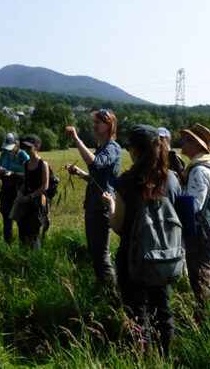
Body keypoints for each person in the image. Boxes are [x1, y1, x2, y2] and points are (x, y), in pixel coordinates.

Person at [102, 125, 180, 356]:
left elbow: (118, 227)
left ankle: (143, 360)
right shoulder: (171, 179)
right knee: (163, 312)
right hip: (166, 256)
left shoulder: (126, 182)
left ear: (135, 151)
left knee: (138, 314)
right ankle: (166, 358)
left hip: (134, 258)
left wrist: (111, 206)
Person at [64, 109, 121, 287]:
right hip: (92, 206)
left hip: (103, 208)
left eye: (99, 122)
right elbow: (96, 176)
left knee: (102, 256)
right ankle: (103, 291)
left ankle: (112, 296)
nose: (94, 125)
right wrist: (81, 173)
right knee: (94, 253)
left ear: (109, 125)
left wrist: (76, 139)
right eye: (94, 122)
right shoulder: (101, 148)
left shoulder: (112, 147)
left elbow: (96, 163)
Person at [178, 123, 210, 318]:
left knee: (200, 279)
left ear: (197, 145)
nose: (183, 143)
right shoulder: (208, 167)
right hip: (209, 232)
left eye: (188, 140)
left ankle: (205, 320)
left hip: (201, 234)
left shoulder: (199, 171)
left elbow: (195, 206)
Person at [0, 132, 28, 244]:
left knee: (20, 219)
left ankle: (23, 244)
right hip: (5, 189)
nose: (8, 149)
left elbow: (28, 173)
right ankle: (7, 243)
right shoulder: (3, 154)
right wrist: (0, 172)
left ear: (17, 144)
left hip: (18, 189)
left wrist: (13, 173)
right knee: (6, 218)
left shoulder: (23, 155)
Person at [16, 135, 50, 247]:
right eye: (24, 147)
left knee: (34, 233)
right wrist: (20, 192)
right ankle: (23, 255)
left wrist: (30, 196)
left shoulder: (43, 164)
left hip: (38, 202)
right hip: (26, 201)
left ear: (37, 147)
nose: (26, 149)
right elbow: (25, 182)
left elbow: (45, 186)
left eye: (29, 147)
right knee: (22, 229)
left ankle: (36, 259)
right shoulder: (25, 164)